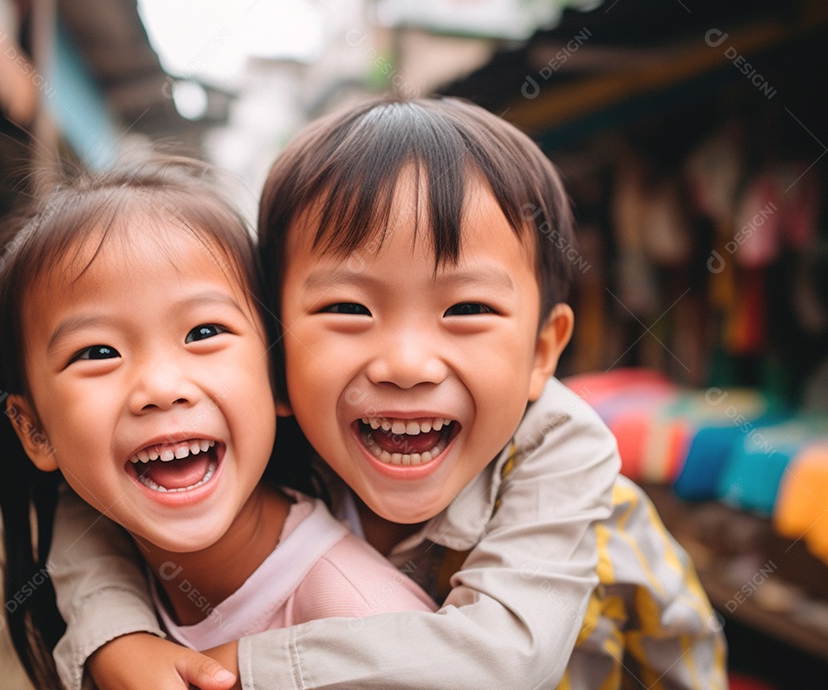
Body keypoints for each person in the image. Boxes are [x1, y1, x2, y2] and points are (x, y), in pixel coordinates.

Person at [49, 99, 727, 690]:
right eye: (347, 308)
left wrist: (250, 668)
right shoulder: (276, 412)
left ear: (542, 351)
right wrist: (115, 635)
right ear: (275, 343)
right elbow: (97, 495)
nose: (406, 365)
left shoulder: (562, 446)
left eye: (466, 310)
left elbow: (509, 661)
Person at [0, 158, 436, 690]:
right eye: (98, 351)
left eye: (203, 332)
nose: (161, 387)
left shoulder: (360, 621)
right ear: (34, 430)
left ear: (280, 375)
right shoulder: (105, 550)